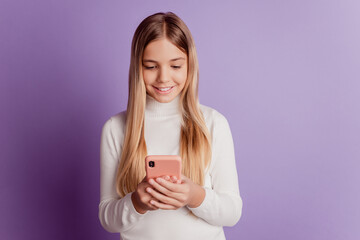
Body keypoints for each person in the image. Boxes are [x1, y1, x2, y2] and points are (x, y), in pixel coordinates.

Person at [99, 11, 243, 240]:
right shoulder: (115, 129)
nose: (164, 78)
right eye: (151, 66)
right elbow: (107, 218)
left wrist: (195, 196)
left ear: (190, 66)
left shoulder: (214, 124)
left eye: (175, 66)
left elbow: (232, 212)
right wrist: (136, 202)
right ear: (137, 67)